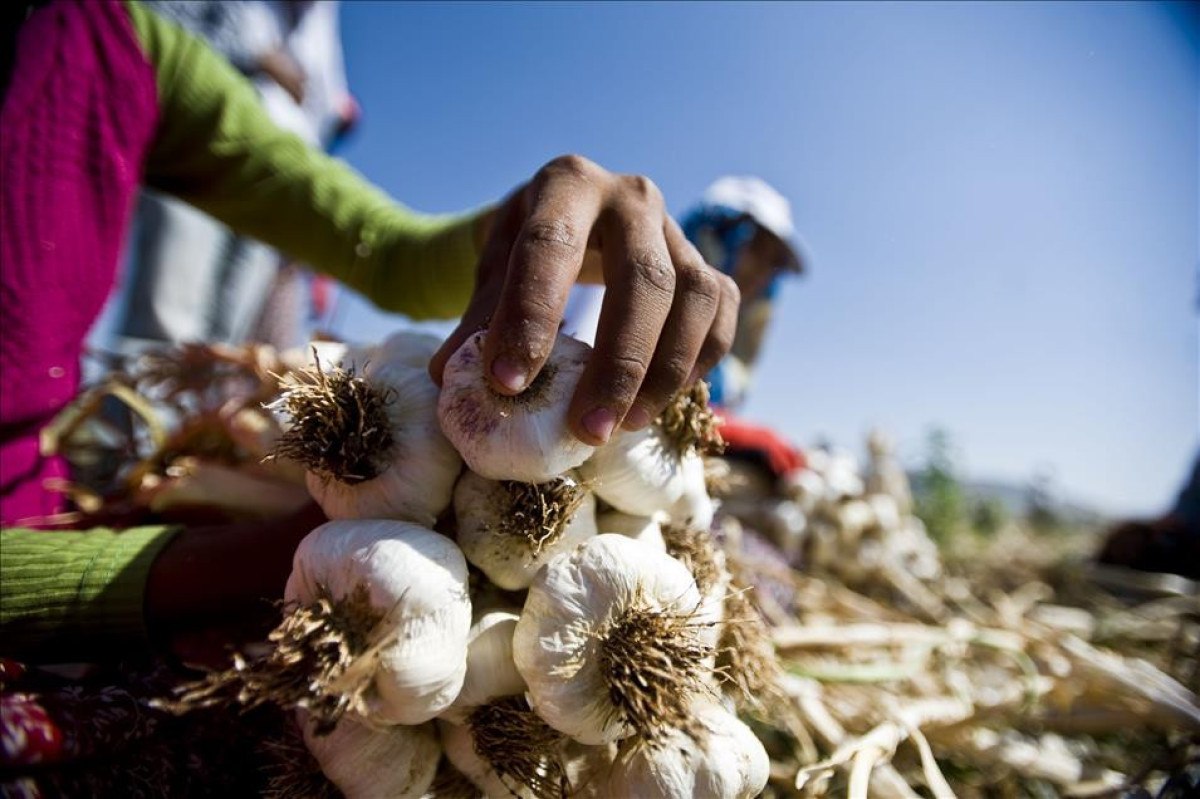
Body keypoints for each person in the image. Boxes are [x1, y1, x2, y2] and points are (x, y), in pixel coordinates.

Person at [0, 0, 739, 669]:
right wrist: (262, 561)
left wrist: (529, 223)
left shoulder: (114, 38)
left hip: (61, 518)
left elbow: (384, 251)